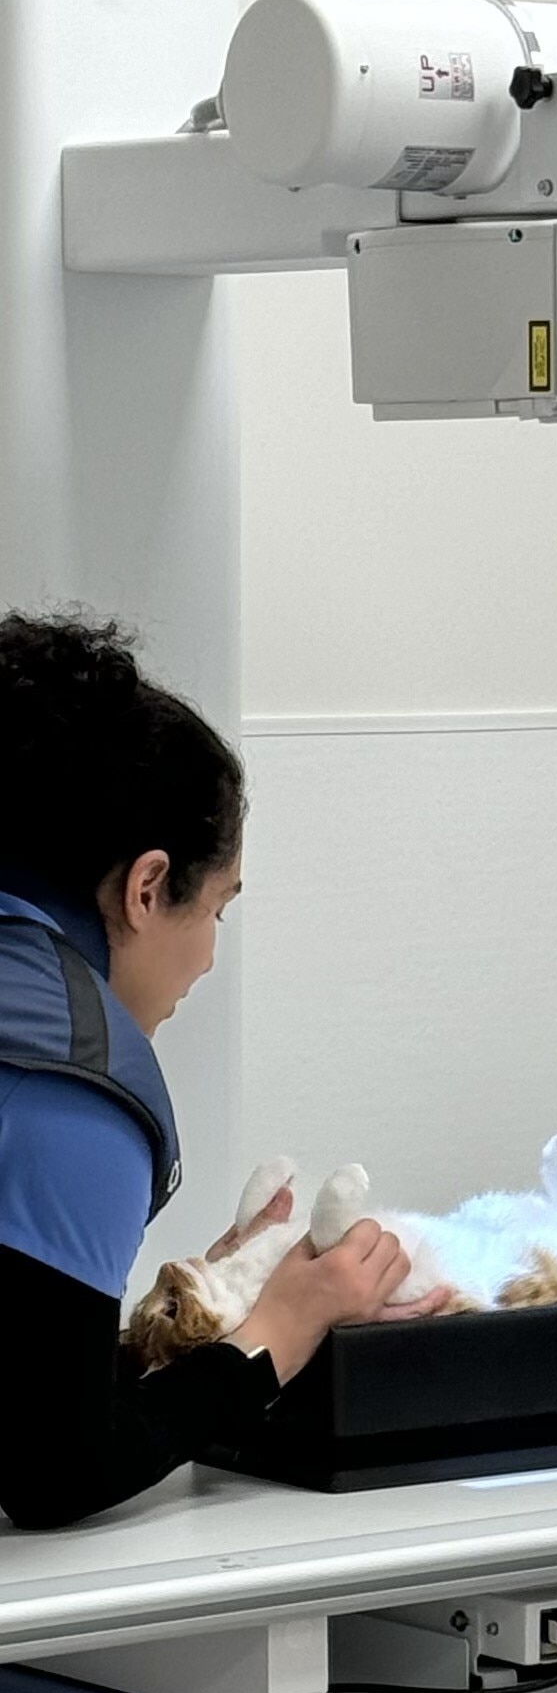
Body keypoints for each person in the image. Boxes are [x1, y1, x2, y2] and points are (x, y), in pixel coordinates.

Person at [0, 611, 442, 1530]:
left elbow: (22, 1391)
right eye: (217, 911)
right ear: (148, 886)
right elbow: (55, 1469)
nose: (205, 961)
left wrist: (191, 1321)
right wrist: (276, 1333)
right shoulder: (75, 1085)